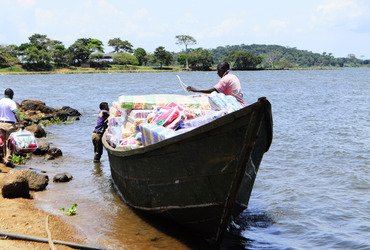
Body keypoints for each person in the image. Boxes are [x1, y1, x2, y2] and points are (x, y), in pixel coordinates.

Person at [0, 88, 23, 167]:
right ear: (10, 94)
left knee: (4, 142)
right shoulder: (11, 102)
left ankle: (4, 157)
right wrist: (20, 123)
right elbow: (15, 113)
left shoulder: (0, 101)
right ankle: (8, 160)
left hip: (1, 124)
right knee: (10, 143)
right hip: (9, 125)